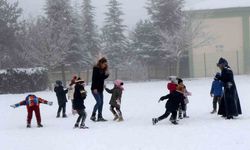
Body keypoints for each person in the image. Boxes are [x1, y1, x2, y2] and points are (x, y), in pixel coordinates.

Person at [90, 57, 109, 122]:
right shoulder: (96, 69)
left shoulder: (103, 70)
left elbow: (102, 78)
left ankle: (100, 117)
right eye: (104, 64)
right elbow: (94, 79)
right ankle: (93, 115)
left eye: (106, 64)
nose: (105, 65)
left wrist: (107, 75)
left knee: (101, 103)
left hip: (100, 89)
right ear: (101, 63)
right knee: (99, 102)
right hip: (95, 89)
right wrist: (95, 88)